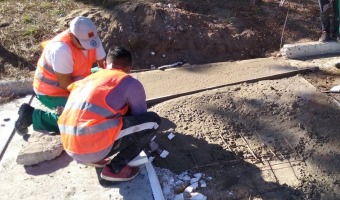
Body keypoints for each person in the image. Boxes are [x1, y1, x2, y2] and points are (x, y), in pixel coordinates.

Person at [58, 47, 161, 182]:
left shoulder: (89, 78)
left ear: (106, 65)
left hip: (70, 145)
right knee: (153, 122)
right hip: (90, 148)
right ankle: (114, 169)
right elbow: (140, 117)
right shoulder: (130, 82)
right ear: (129, 68)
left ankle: (95, 156)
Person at [15, 16, 106, 135]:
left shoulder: (90, 37)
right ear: (72, 36)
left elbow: (104, 66)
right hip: (52, 91)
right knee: (81, 121)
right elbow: (66, 84)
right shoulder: (61, 50)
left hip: (78, 78)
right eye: (83, 44)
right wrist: (91, 97)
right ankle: (32, 116)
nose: (87, 47)